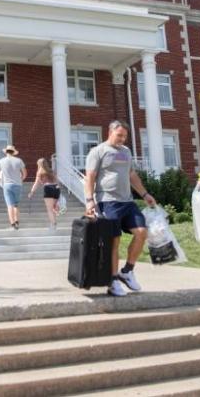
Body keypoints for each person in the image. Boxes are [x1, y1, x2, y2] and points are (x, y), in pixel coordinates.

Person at [84, 120, 156, 297]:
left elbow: (131, 174)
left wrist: (145, 194)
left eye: (125, 136)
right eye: (119, 135)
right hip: (108, 201)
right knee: (114, 241)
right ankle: (113, 280)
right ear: (110, 132)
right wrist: (89, 200)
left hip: (128, 201)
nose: (122, 139)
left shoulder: (126, 152)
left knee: (142, 232)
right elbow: (90, 176)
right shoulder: (98, 151)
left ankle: (127, 270)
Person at [0, 145, 27, 230]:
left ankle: (12, 224)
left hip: (7, 185)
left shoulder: (1, 161)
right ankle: (17, 222)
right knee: (16, 205)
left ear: (6, 152)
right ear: (13, 152)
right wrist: (21, 180)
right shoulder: (19, 161)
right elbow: (25, 173)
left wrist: (0, 182)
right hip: (18, 185)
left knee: (10, 205)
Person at [28, 158, 60, 231]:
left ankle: (53, 225)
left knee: (49, 209)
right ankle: (53, 223)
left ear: (39, 164)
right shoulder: (51, 170)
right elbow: (57, 181)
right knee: (53, 208)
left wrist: (32, 192)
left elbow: (36, 183)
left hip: (48, 188)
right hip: (56, 188)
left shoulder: (40, 172)